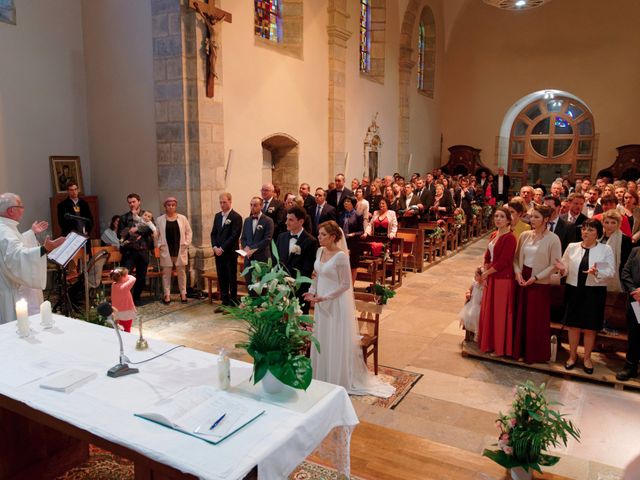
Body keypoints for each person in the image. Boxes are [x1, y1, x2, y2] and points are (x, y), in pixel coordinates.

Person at [303, 221, 394, 397]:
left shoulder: (341, 257)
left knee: (334, 337)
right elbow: (317, 275)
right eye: (319, 234)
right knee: (322, 337)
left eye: (322, 235)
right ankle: (321, 375)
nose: (319, 237)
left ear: (333, 237)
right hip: (321, 303)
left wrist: (326, 297)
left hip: (335, 303)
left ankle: (337, 377)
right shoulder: (320, 251)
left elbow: (346, 284)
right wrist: (311, 291)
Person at [554, 219, 614, 374]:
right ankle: (572, 356)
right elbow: (565, 268)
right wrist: (562, 269)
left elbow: (610, 272)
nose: (586, 232)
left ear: (598, 233)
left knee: (589, 327)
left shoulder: (605, 249)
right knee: (573, 325)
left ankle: (587, 358)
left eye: (591, 230)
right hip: (574, 289)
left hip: (594, 292)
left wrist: (597, 272)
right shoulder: (572, 247)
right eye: (584, 229)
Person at [0, 193, 64, 321]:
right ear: (11, 210)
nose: (23, 209)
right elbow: (16, 256)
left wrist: (31, 233)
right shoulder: (4, 231)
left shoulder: (6, 227)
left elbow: (16, 244)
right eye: (20, 206)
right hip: (8, 291)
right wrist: (44, 249)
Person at [513, 204, 562, 364]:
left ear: (546, 219)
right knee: (521, 316)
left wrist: (536, 277)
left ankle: (533, 354)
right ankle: (518, 351)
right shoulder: (525, 235)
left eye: (536, 217)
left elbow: (554, 264)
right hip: (522, 278)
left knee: (535, 319)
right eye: (531, 216)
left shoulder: (553, 239)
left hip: (539, 282)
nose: (532, 219)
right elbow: (516, 258)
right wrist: (518, 273)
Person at [477, 206, 517, 357]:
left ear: (508, 220)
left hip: (502, 279)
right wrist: (483, 269)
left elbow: (504, 262)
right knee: (489, 312)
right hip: (491, 277)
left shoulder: (510, 238)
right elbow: (488, 256)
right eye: (496, 216)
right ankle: (489, 344)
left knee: (499, 314)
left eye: (502, 217)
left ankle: (499, 347)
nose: (498, 219)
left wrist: (486, 273)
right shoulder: (494, 234)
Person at [274, 206, 318, 314]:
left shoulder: (310, 241)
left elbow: (307, 268)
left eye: (291, 220)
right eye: (286, 219)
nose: (286, 222)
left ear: (301, 221)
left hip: (299, 288)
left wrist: (293, 283)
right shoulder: (281, 237)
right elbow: (277, 261)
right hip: (281, 286)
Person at [117, 193, 154, 304]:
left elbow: (150, 229)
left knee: (141, 277)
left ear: (139, 201)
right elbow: (119, 233)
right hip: (129, 251)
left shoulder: (146, 215)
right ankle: (125, 297)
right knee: (125, 276)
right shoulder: (124, 217)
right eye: (129, 202)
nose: (131, 204)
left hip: (143, 250)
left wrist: (137, 230)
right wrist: (128, 232)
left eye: (134, 202)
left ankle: (136, 297)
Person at [156, 197, 193, 305]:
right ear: (165, 206)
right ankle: (167, 295)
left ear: (175, 206)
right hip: (166, 249)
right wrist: (159, 245)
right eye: (169, 205)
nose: (171, 207)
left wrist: (186, 243)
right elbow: (156, 235)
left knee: (181, 273)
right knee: (166, 274)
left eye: (173, 205)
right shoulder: (160, 219)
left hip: (179, 248)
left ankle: (183, 293)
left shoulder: (182, 218)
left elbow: (189, 232)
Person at [211, 192, 242, 311]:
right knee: (222, 277)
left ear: (230, 201)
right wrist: (214, 247)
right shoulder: (217, 216)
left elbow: (234, 236)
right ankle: (224, 301)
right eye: (220, 202)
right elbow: (213, 233)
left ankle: (233, 302)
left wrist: (222, 248)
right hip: (218, 253)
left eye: (224, 202)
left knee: (231, 277)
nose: (222, 205)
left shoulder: (236, 217)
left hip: (229, 253)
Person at [618, 248, 640, 381]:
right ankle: (630, 367)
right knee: (635, 333)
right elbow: (625, 273)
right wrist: (634, 291)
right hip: (636, 301)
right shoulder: (636, 251)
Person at [240, 197, 274, 281]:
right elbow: (243, 238)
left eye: (255, 205)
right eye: (251, 205)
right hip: (248, 259)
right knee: (249, 284)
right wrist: (245, 247)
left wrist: (251, 248)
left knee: (263, 286)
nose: (252, 207)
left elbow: (267, 239)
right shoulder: (247, 220)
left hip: (262, 258)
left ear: (261, 206)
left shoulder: (268, 221)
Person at [600, 209, 632, 293]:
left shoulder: (625, 240)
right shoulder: (598, 238)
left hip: (617, 278)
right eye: (606, 222)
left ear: (618, 224)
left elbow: (625, 263)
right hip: (598, 278)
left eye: (613, 222)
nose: (609, 225)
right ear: (602, 223)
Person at [339, 197, 365, 283]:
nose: (345, 203)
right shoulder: (341, 214)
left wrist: (353, 234)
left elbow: (361, 231)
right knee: (342, 264)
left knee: (353, 265)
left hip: (353, 243)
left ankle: (352, 286)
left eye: (348, 201)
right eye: (344, 201)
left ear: (353, 203)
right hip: (343, 242)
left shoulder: (358, 215)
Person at [459, 267, 484, 342]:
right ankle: (472, 333)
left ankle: (477, 333)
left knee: (477, 315)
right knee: (468, 314)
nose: (475, 276)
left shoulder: (484, 286)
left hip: (479, 305)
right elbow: (469, 289)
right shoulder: (474, 283)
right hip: (472, 304)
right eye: (475, 275)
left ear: (482, 276)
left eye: (477, 275)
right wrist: (468, 293)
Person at [110, 267, 136, 332]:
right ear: (123, 277)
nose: (128, 277)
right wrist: (125, 276)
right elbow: (133, 278)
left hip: (116, 312)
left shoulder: (113, 285)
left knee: (119, 329)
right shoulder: (124, 287)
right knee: (127, 329)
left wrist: (121, 275)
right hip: (126, 312)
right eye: (127, 275)